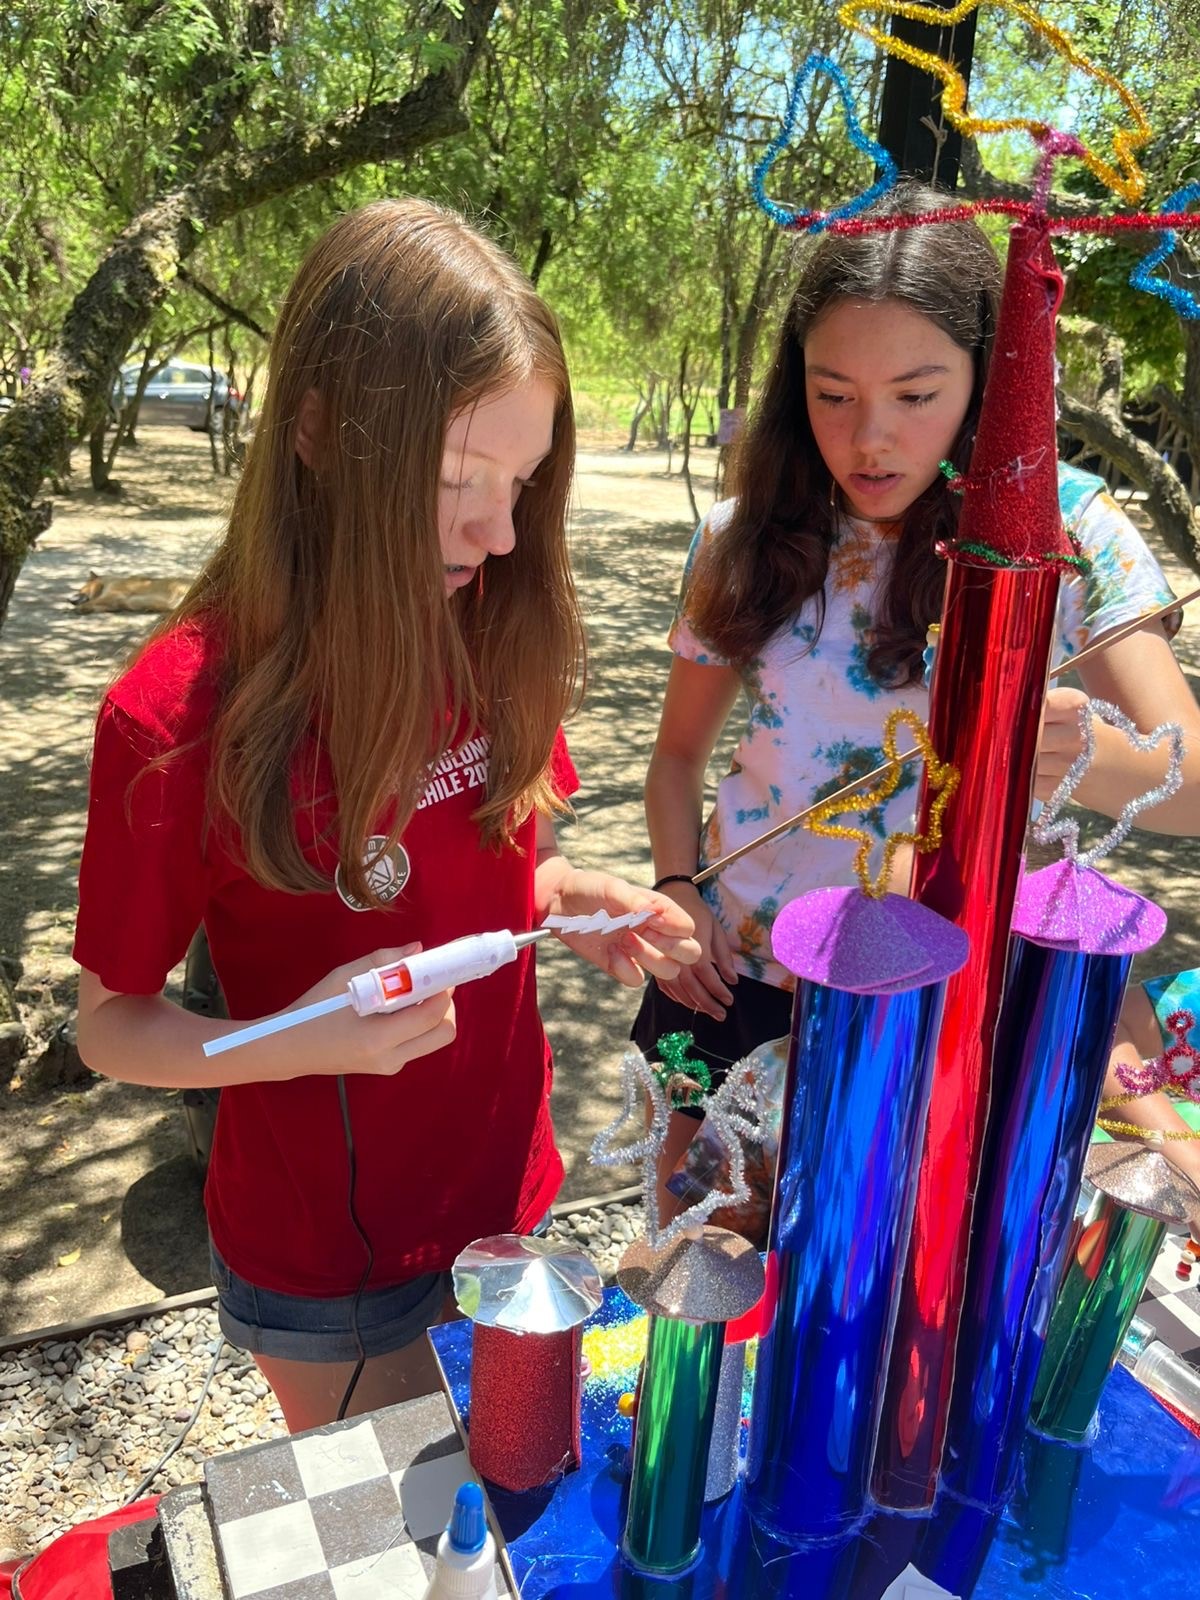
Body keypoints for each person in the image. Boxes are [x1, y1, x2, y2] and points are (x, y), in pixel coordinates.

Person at [73, 198, 699, 1433]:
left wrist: (569, 900)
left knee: (521, 1484)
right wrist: (298, 1036)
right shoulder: (177, 715)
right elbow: (112, 1027)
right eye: (460, 477)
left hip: (507, 1186)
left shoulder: (490, 623)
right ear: (317, 429)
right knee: (407, 1521)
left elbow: (488, 871)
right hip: (328, 1261)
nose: (499, 531)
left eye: (521, 481)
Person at [634, 179, 1200, 1230]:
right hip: (742, 986)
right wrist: (678, 888)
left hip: (962, 1007)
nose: (870, 439)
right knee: (706, 1280)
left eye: (916, 393)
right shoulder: (742, 535)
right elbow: (675, 761)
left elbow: (1191, 783)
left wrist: (1078, 751)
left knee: (914, 1298)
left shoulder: (1070, 531)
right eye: (833, 393)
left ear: (987, 374)